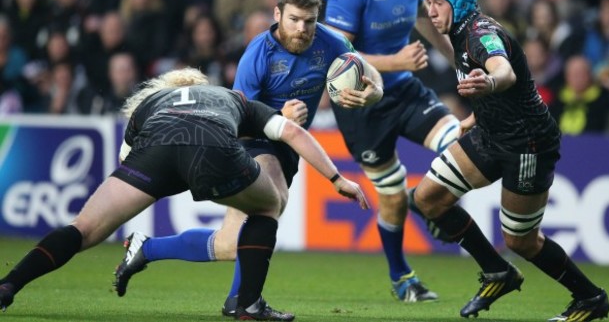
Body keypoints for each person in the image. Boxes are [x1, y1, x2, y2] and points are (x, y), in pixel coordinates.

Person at [0, 67, 369, 321]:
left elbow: (126, 159)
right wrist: (337, 178)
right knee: (270, 203)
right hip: (212, 149)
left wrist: (157, 179)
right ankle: (248, 306)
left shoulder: (150, 104)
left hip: (155, 154)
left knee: (83, 228)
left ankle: (9, 284)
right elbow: (292, 133)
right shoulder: (234, 98)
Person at [111, 0, 384, 317]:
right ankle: (245, 304)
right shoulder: (258, 54)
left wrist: (373, 92)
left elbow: (369, 73)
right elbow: (241, 120)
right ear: (278, 14)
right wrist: (280, 116)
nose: (302, 28)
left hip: (287, 145)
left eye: (309, 21)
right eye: (294, 19)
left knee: (228, 244)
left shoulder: (331, 43)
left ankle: (147, 248)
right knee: (272, 201)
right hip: (253, 141)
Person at [406, 0, 609, 321]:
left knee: (521, 241)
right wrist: (474, 116)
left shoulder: (481, 33)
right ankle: (498, 272)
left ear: (455, 3)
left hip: (527, 145)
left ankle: (590, 298)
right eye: (429, 3)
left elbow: (505, 71)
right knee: (427, 198)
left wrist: (488, 82)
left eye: (437, 3)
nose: (432, 10)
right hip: (490, 134)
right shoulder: (457, 31)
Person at [323, 0, 461, 302]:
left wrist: (457, 62)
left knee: (460, 145)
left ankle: (432, 203)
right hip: (361, 104)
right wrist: (394, 60)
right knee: (394, 197)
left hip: (404, 90)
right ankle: (402, 278)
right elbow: (336, 55)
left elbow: (423, 20)